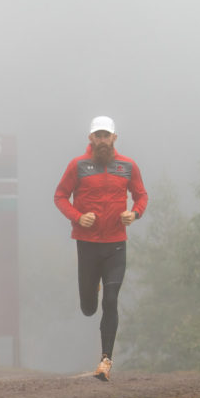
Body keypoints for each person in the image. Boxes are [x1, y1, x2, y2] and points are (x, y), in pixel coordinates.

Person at [54, 116, 148, 381]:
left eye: (107, 135)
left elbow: (141, 195)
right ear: (91, 139)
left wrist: (135, 213)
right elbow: (60, 196)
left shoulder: (127, 166)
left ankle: (105, 360)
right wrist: (77, 216)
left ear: (114, 138)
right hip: (87, 245)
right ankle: (90, 289)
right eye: (99, 136)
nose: (103, 140)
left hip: (116, 245)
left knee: (111, 300)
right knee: (88, 307)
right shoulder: (78, 166)